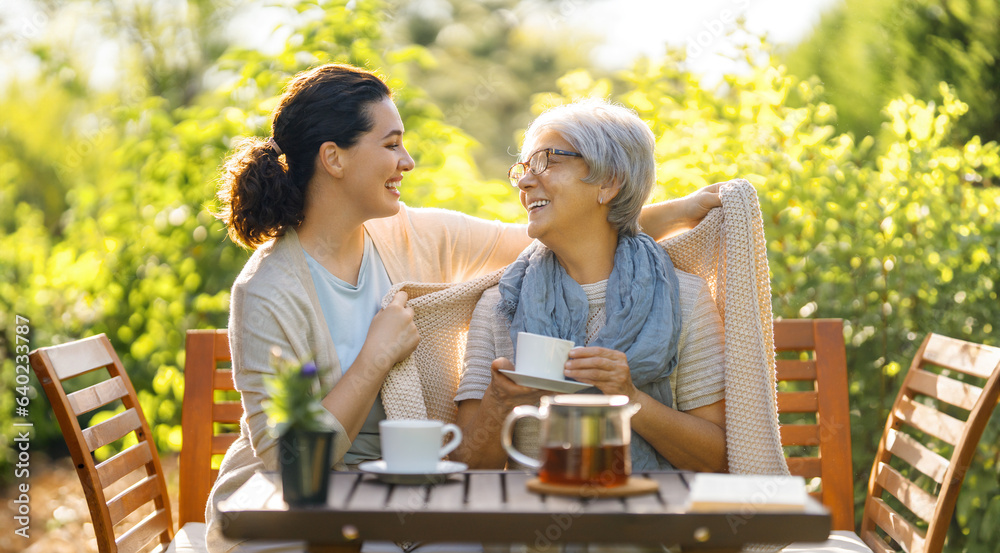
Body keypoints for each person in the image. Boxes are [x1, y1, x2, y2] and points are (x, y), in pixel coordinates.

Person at [206, 64, 721, 553]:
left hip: (402, 498)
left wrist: (673, 210)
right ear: (334, 158)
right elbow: (290, 467)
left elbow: (551, 235)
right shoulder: (269, 291)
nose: (407, 162)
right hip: (292, 513)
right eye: (391, 145)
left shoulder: (408, 233)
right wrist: (374, 359)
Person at [452, 99, 728, 475]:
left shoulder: (685, 298)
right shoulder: (501, 304)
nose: (527, 181)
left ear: (609, 182)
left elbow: (717, 459)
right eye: (525, 169)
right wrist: (498, 402)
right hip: (532, 522)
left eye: (549, 160)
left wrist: (629, 399)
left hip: (646, 521)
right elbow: (465, 469)